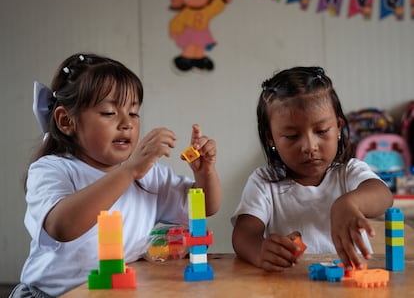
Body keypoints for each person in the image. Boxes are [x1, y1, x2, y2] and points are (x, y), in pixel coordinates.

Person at [10, 53, 221, 298]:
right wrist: (129, 170)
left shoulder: (149, 175)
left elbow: (205, 207)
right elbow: (62, 226)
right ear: (66, 121)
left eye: (133, 113)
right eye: (109, 113)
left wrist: (206, 173)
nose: (127, 123)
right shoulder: (52, 169)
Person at [231, 66, 393, 273]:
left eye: (322, 131)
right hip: (291, 288)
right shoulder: (264, 182)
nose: (309, 147)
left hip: (351, 285)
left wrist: (348, 203)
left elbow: (383, 195)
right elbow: (244, 235)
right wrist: (260, 250)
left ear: (338, 128)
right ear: (270, 137)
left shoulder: (348, 173)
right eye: (291, 136)